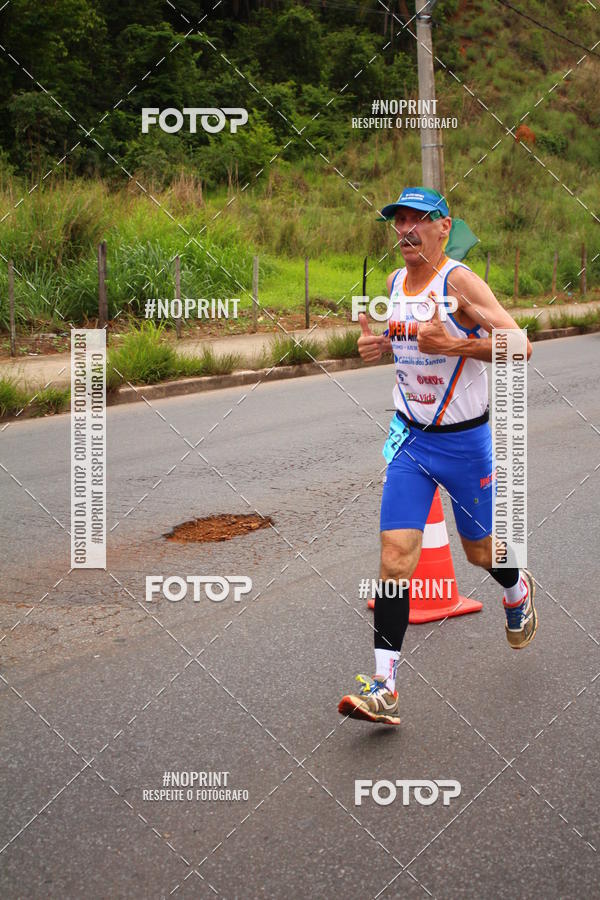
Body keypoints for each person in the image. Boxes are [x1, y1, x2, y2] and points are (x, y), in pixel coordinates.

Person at [338, 187, 537, 726]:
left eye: (418, 220)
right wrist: (380, 345)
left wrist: (458, 346)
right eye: (399, 220)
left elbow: (520, 346)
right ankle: (384, 686)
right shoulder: (393, 284)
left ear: (444, 226)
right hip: (411, 440)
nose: (406, 229)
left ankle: (517, 587)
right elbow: (408, 343)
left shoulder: (459, 282)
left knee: (480, 553)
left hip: (465, 444)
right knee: (395, 558)